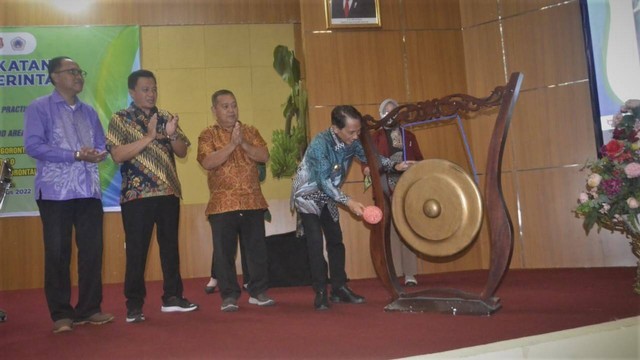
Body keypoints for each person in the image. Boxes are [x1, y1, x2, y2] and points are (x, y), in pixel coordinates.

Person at [291, 105, 413, 310]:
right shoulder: (320, 144)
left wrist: (395, 165)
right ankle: (321, 292)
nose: (356, 136)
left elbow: (371, 159)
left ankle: (339, 288)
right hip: (308, 195)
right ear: (336, 128)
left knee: (336, 240)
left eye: (358, 131)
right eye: (351, 132)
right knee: (314, 242)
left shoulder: (352, 141)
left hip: (329, 195)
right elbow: (323, 181)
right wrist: (349, 202)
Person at [24, 56, 114, 333]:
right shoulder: (39, 107)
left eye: (80, 71)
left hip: (88, 190)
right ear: (54, 76)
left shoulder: (88, 112)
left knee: (91, 251)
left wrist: (98, 154)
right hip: (55, 192)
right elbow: (33, 146)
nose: (78, 76)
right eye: (71, 71)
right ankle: (61, 313)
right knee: (58, 253)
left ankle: (89, 308)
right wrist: (74, 155)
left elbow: (101, 145)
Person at [107, 69, 198, 323]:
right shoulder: (121, 118)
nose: (151, 94)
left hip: (168, 192)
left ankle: (173, 297)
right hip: (137, 196)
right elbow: (117, 155)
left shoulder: (165, 116)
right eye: (145, 89)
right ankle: (134, 305)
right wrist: (148, 137)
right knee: (137, 251)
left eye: (154, 89)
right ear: (132, 92)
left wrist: (171, 134)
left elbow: (181, 152)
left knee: (170, 248)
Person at [197, 89, 274, 312]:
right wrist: (231, 144)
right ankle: (229, 295)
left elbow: (264, 155)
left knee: (256, 250)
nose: (231, 110)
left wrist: (242, 144)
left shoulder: (249, 130)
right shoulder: (207, 135)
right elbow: (208, 162)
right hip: (223, 204)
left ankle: (258, 292)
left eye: (234, 105)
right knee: (224, 253)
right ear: (214, 110)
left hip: (252, 201)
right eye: (225, 106)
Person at [369, 98, 424, 286]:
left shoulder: (408, 136)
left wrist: (414, 165)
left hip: (407, 186)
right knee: (390, 230)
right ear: (381, 115)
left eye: (394, 111)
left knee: (407, 228)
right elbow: (368, 165)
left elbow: (421, 161)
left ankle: (410, 273)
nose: (391, 115)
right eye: (387, 112)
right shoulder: (374, 137)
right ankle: (395, 272)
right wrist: (390, 167)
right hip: (387, 187)